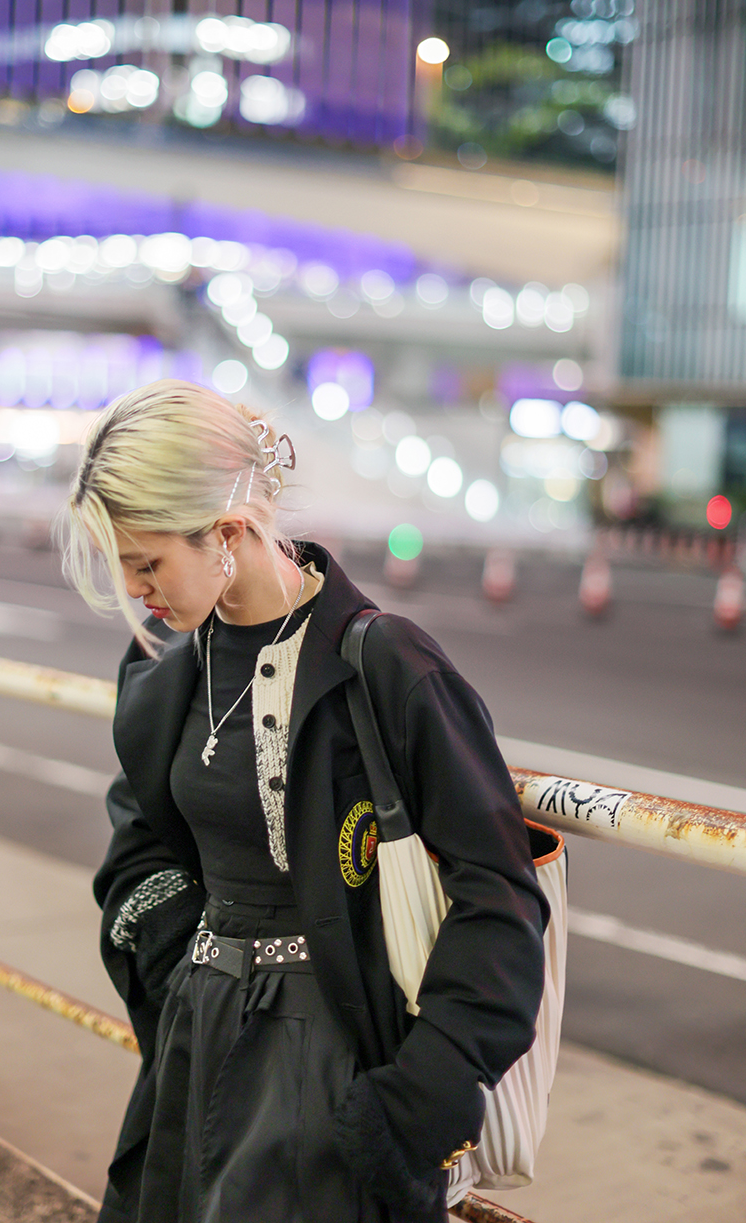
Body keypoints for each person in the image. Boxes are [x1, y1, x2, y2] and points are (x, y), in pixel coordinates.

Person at [63, 379, 549, 1223]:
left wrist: (424, 1089)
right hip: (195, 1036)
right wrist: (177, 961)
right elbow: (137, 840)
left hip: (335, 1062)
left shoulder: (383, 665)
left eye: (147, 563)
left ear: (227, 532)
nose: (135, 589)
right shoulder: (163, 666)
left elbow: (499, 889)